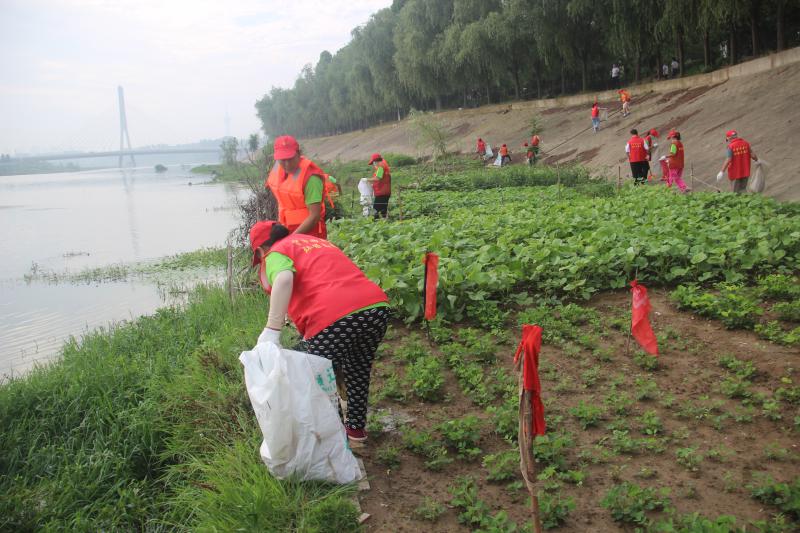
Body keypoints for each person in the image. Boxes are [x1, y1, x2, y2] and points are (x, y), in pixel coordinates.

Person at [250, 220, 390, 443]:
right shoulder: (314, 242)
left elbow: (284, 279)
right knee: (358, 369)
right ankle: (355, 431)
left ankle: (334, 441)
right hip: (375, 308)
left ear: (260, 250)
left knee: (316, 381)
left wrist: (272, 329)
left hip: (334, 316)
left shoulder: (276, 252)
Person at [265, 135, 328, 239]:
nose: (287, 164)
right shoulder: (278, 170)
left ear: (298, 153)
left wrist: (291, 239)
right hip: (287, 230)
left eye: (290, 159)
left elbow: (314, 216)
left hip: (310, 235)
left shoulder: (311, 179)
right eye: (283, 160)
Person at [368, 153, 392, 218]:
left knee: (375, 210)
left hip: (381, 193)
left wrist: (367, 180)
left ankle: (375, 222)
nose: (373, 165)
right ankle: (384, 222)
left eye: (373, 163)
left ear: (375, 161)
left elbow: (378, 178)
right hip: (385, 192)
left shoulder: (381, 168)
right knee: (383, 210)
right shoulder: (383, 167)